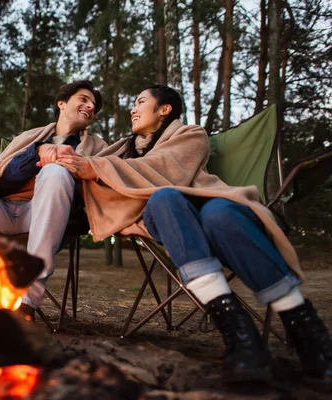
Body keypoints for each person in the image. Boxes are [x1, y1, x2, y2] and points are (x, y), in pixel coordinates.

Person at [57, 85, 332, 383]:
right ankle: (237, 330)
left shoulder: (190, 134)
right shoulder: (123, 148)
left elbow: (165, 170)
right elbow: (82, 158)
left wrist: (98, 168)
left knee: (220, 215)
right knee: (165, 198)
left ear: (165, 109)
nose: (133, 109)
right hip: (163, 216)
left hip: (207, 205)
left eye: (140, 102)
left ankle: (304, 329)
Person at [0, 80, 107, 321]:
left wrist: (66, 165)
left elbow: (93, 191)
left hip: (42, 216)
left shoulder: (98, 147)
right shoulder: (30, 137)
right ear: (61, 104)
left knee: (56, 172)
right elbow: (1, 177)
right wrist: (37, 152)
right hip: (0, 209)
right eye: (84, 99)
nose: (90, 107)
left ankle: (28, 299)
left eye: (93, 105)